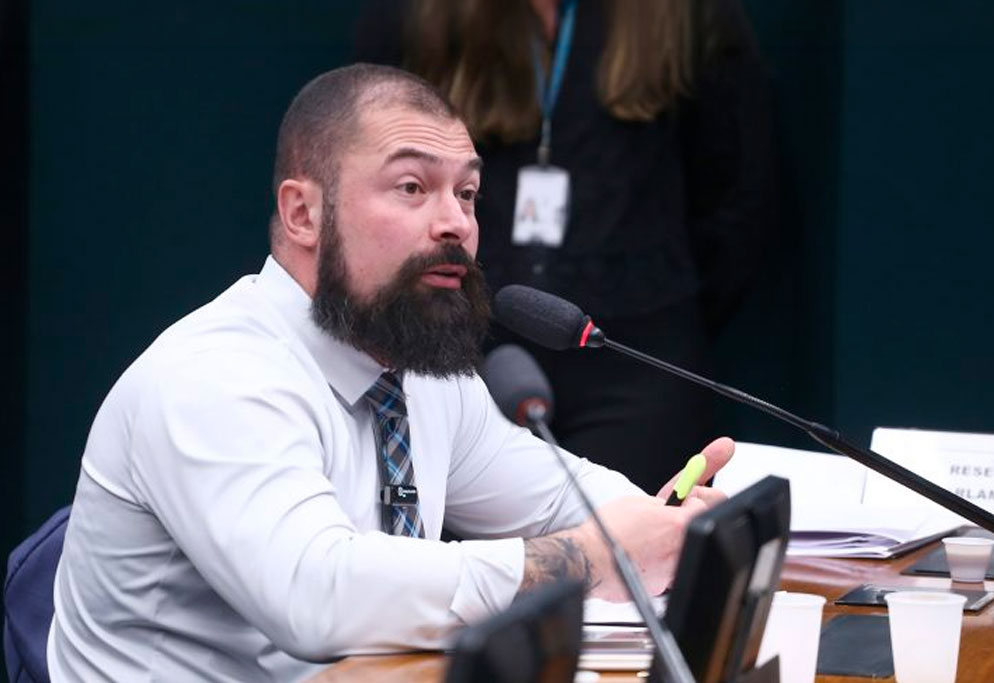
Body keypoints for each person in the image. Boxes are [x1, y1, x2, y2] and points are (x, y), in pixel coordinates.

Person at [47, 63, 734, 682]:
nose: (455, 224)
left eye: (466, 193)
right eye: (412, 187)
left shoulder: (423, 373)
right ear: (303, 212)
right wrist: (589, 557)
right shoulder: (212, 377)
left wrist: (666, 528)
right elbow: (319, 595)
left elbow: (565, 499)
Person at [351, 0, 776, 493]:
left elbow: (740, 195)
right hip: (465, 354)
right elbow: (366, 167)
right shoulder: (417, 16)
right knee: (484, 560)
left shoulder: (688, 15)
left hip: (634, 360)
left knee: (630, 542)